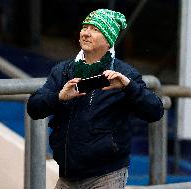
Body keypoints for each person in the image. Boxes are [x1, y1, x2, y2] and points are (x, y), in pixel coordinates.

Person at [27, 9, 164, 189]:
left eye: (95, 29)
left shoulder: (124, 74)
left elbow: (155, 111)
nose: (86, 33)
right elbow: (34, 108)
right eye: (85, 27)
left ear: (108, 40)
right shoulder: (63, 70)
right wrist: (59, 97)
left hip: (106, 176)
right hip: (67, 175)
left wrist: (129, 87)